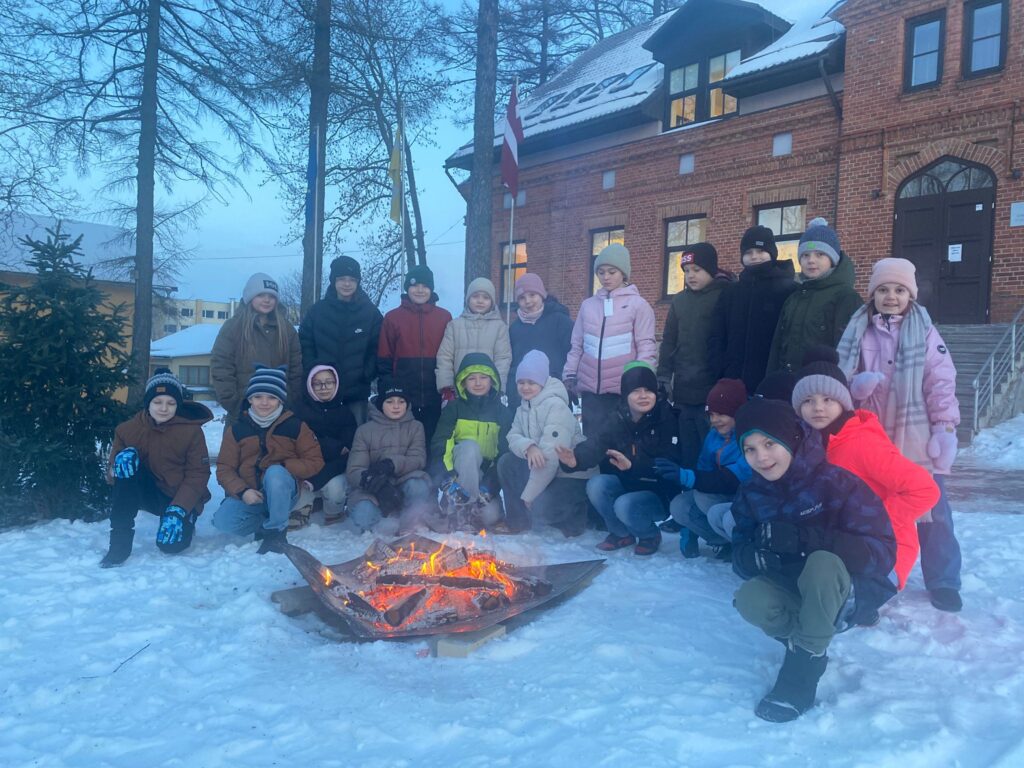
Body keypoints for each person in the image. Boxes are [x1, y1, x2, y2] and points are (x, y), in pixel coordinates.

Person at [730, 397, 896, 722]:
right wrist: (754, 559)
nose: (761, 457)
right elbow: (737, 554)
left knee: (821, 562)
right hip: (795, 592)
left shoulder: (838, 484)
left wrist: (804, 541)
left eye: (769, 443)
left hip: (847, 595)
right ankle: (810, 646)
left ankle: (799, 676)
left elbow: (882, 553)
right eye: (749, 449)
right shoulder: (751, 494)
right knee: (749, 598)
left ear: (791, 438)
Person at [837, 257, 963, 612]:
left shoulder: (924, 331)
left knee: (932, 507)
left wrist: (945, 428)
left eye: (898, 290)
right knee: (874, 509)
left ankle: (943, 579)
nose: (890, 296)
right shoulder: (856, 330)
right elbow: (838, 379)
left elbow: (940, 383)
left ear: (910, 294)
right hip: (869, 437)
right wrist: (855, 388)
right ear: (873, 294)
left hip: (915, 435)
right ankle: (879, 570)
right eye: (883, 289)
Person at [790, 346, 940, 590]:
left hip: (885, 554)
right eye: (808, 401)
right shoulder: (809, 444)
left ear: (843, 403)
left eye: (828, 399)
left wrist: (874, 519)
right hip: (843, 544)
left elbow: (925, 489)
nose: (818, 407)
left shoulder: (861, 443)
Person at [557, 362, 678, 556]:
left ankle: (649, 535)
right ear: (625, 395)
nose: (643, 396)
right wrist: (575, 460)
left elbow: (669, 463)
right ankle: (621, 533)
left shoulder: (666, 418)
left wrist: (633, 465)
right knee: (597, 485)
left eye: (648, 390)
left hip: (658, 492)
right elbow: (597, 444)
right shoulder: (618, 418)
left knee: (625, 504)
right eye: (636, 391)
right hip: (627, 485)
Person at [101, 368, 213, 567]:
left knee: (171, 546)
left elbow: (198, 475)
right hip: (148, 490)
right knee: (127, 462)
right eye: (157, 402)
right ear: (147, 403)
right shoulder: (126, 430)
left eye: (171, 403)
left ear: (178, 405)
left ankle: (186, 518)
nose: (164, 408)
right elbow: (112, 476)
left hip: (178, 496)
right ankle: (119, 543)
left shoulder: (192, 432)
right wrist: (116, 468)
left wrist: (178, 510)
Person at [213, 365, 325, 554]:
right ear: (250, 399)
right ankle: (266, 522)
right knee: (222, 522)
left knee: (274, 473)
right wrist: (243, 492)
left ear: (280, 399)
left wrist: (284, 466)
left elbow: (315, 461)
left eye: (272, 397)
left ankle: (276, 531)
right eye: (258, 397)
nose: (264, 403)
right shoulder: (237, 429)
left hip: (284, 491)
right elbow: (225, 468)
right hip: (252, 494)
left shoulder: (295, 426)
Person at [563, 243, 657, 438]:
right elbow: (577, 344)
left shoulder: (638, 306)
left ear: (623, 273)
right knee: (593, 443)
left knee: (620, 443)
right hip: (591, 392)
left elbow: (646, 346)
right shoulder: (587, 306)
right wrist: (570, 374)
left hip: (621, 392)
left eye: (611, 272)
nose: (605, 277)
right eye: (601, 272)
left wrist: (640, 381)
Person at [655, 378, 751, 559]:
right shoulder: (713, 436)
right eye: (712, 414)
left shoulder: (750, 437)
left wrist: (688, 477)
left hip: (744, 498)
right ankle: (723, 542)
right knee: (680, 505)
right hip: (721, 495)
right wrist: (689, 528)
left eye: (721, 414)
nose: (715, 420)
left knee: (703, 496)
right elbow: (704, 469)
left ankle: (744, 544)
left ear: (737, 413)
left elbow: (735, 478)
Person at [657, 242, 732, 466]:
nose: (691, 276)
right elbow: (669, 341)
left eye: (697, 270)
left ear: (711, 269)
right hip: (683, 388)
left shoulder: (725, 295)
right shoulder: (679, 301)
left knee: (712, 447)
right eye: (687, 271)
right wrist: (663, 375)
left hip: (712, 388)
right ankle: (688, 492)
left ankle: (709, 493)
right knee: (688, 448)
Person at [498, 350, 586, 535]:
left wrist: (529, 496)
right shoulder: (523, 407)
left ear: (543, 382)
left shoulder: (556, 406)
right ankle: (518, 522)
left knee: (540, 508)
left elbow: (552, 458)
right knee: (506, 462)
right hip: (546, 470)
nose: (525, 387)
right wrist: (529, 447)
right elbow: (512, 436)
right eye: (521, 382)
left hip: (571, 475)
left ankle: (575, 517)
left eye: (531, 382)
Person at [767, 218, 862, 374]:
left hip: (823, 389)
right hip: (788, 385)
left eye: (819, 255)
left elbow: (850, 352)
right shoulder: (794, 298)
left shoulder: (846, 297)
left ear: (833, 260)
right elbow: (777, 347)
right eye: (805, 255)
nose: (811, 261)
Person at [431, 353, 512, 530]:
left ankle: (474, 510)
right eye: (471, 378)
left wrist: (489, 487)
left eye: (483, 377)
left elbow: (504, 453)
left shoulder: (502, 413)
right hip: (459, 481)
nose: (477, 383)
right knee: (469, 447)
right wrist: (447, 479)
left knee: (491, 517)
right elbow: (440, 445)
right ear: (463, 382)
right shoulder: (454, 409)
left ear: (492, 381)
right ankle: (461, 510)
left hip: (485, 480)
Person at [299, 255, 383, 425]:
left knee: (357, 443)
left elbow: (378, 348)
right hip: (322, 393)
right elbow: (305, 343)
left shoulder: (370, 313)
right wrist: (314, 370)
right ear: (333, 281)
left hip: (356, 394)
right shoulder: (317, 311)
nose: (346, 284)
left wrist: (365, 374)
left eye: (352, 279)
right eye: (341, 279)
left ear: (358, 282)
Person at [714, 226, 798, 393]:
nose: (754, 257)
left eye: (760, 251)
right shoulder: (731, 292)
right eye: (748, 252)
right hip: (733, 380)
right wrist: (721, 371)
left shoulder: (788, 290)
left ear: (772, 253)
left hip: (771, 382)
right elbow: (718, 335)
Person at [211, 273, 302, 424]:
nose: (267, 300)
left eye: (271, 296)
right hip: (242, 412)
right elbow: (221, 366)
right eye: (261, 295)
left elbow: (296, 369)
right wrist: (234, 403)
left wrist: (291, 399)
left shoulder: (287, 330)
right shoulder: (233, 328)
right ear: (250, 297)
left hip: (280, 411)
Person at [377, 265, 452, 444]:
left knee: (433, 440)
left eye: (425, 286)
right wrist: (388, 387)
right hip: (404, 395)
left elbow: (451, 353)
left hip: (434, 393)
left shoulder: (444, 317)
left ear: (431, 289)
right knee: (406, 441)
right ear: (407, 288)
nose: (420, 290)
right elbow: (384, 356)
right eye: (415, 285)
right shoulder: (393, 318)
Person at [345, 385, 432, 535]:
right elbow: (354, 469)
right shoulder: (365, 431)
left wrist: (391, 464)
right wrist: (374, 482)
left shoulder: (416, 427)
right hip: (373, 486)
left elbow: (418, 459)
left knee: (418, 486)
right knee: (363, 515)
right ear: (381, 404)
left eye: (401, 402)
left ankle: (408, 521)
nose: (396, 406)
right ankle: (381, 526)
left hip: (403, 481)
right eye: (390, 402)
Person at [290, 365, 357, 527]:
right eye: (317, 383)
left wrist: (319, 477)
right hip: (305, 468)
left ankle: (333, 512)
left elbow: (349, 453)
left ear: (336, 384)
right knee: (297, 483)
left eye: (329, 382)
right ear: (309, 386)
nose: (324, 388)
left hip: (333, 470)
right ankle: (301, 509)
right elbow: (298, 445)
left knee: (336, 487)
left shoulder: (345, 413)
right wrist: (333, 447)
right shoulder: (298, 411)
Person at [436, 277, 512, 398]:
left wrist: (497, 386)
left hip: (487, 392)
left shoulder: (499, 327)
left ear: (492, 302)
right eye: (475, 296)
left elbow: (502, 359)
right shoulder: (455, 326)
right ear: (468, 299)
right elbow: (445, 357)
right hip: (459, 391)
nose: (480, 301)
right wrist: (447, 387)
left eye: (486, 297)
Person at [507, 273, 574, 411]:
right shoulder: (514, 329)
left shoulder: (560, 321)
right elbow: (513, 362)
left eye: (532, 295)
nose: (528, 301)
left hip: (554, 392)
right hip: (525, 396)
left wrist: (568, 384)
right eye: (522, 298)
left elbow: (572, 352)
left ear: (542, 295)